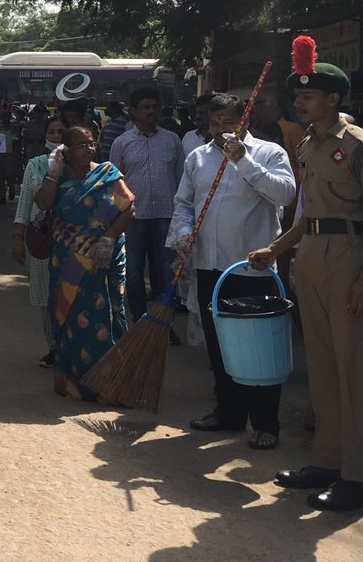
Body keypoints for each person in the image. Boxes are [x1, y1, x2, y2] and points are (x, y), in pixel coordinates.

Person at [248, 37, 363, 512]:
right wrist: (276, 250)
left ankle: (357, 476)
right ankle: (328, 461)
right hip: (312, 253)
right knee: (321, 366)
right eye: (298, 96)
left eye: (308, 96)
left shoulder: (355, 144)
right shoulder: (310, 144)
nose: (299, 102)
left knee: (353, 368)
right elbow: (305, 213)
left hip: (350, 257)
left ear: (333, 99)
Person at [170, 93, 295, 450]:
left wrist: (244, 161)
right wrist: (183, 235)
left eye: (228, 123)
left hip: (251, 268)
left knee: (257, 348)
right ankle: (228, 412)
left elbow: (285, 196)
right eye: (214, 123)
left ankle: (266, 422)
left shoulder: (270, 153)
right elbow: (183, 205)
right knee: (219, 344)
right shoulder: (198, 157)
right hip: (209, 265)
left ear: (244, 120)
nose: (220, 131)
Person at [34, 126, 135, 401]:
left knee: (108, 316)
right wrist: (53, 172)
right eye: (81, 145)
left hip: (103, 258)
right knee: (68, 318)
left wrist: (108, 239)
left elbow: (128, 209)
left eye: (91, 144)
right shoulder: (59, 176)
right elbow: (42, 203)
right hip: (67, 261)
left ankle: (109, 384)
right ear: (66, 150)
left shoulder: (107, 173)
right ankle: (72, 381)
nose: (89, 149)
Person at [110, 87, 185, 333]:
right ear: (133, 111)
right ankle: (140, 322)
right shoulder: (122, 143)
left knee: (165, 272)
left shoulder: (172, 140)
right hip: (133, 217)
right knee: (132, 273)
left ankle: (164, 324)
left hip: (166, 215)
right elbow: (114, 183)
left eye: (154, 106)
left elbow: (182, 178)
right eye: (145, 107)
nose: (151, 111)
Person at [12, 115, 67, 367]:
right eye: (52, 132)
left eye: (61, 133)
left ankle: (72, 344)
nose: (56, 137)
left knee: (70, 294)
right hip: (42, 239)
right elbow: (24, 203)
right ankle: (54, 347)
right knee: (46, 298)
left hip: (71, 239)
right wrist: (18, 236)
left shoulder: (78, 164)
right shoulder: (35, 164)